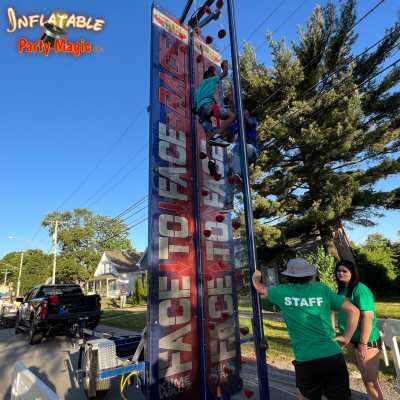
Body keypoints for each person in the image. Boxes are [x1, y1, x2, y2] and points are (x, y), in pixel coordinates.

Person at [252, 258, 360, 400]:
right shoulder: (322, 289)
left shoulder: (281, 292)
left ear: (289, 276)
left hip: (306, 359)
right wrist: (346, 337)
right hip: (332, 355)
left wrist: (256, 276)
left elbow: (259, 287)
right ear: (310, 275)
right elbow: (354, 311)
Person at [334, 260, 384, 400]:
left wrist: (362, 343)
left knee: (370, 382)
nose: (341, 273)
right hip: (351, 340)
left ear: (352, 273)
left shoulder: (360, 289)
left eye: (344, 271)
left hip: (366, 342)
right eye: (338, 271)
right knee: (367, 379)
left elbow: (368, 317)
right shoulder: (343, 289)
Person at [194, 60, 236, 177]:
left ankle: (211, 160)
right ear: (210, 76)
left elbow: (194, 108)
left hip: (201, 114)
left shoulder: (197, 91)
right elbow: (225, 73)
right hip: (209, 107)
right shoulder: (211, 79)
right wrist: (226, 65)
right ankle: (218, 134)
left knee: (209, 136)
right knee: (231, 115)